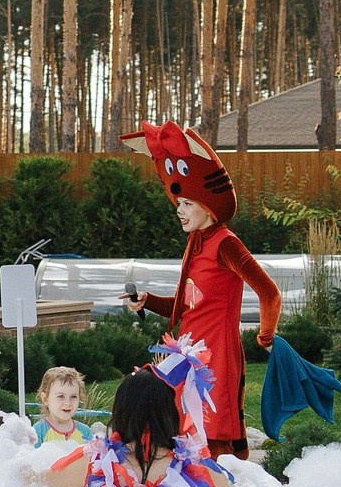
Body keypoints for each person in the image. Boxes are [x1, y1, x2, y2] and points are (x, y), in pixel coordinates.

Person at [120, 121, 280, 459]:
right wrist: (149, 301)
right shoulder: (197, 241)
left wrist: (265, 337)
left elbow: (269, 292)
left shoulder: (226, 244)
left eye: (188, 204)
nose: (179, 211)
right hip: (187, 351)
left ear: (208, 204)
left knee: (213, 436)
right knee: (175, 430)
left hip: (215, 358)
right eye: (178, 203)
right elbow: (187, 305)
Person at [39, 354, 258, 487]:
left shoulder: (99, 465)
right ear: (169, 414)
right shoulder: (195, 470)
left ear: (122, 412)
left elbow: (37, 482)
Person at [34, 365, 91, 447]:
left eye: (73, 397)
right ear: (45, 399)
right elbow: (32, 458)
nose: (68, 403)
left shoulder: (85, 432)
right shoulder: (38, 431)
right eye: (61, 396)